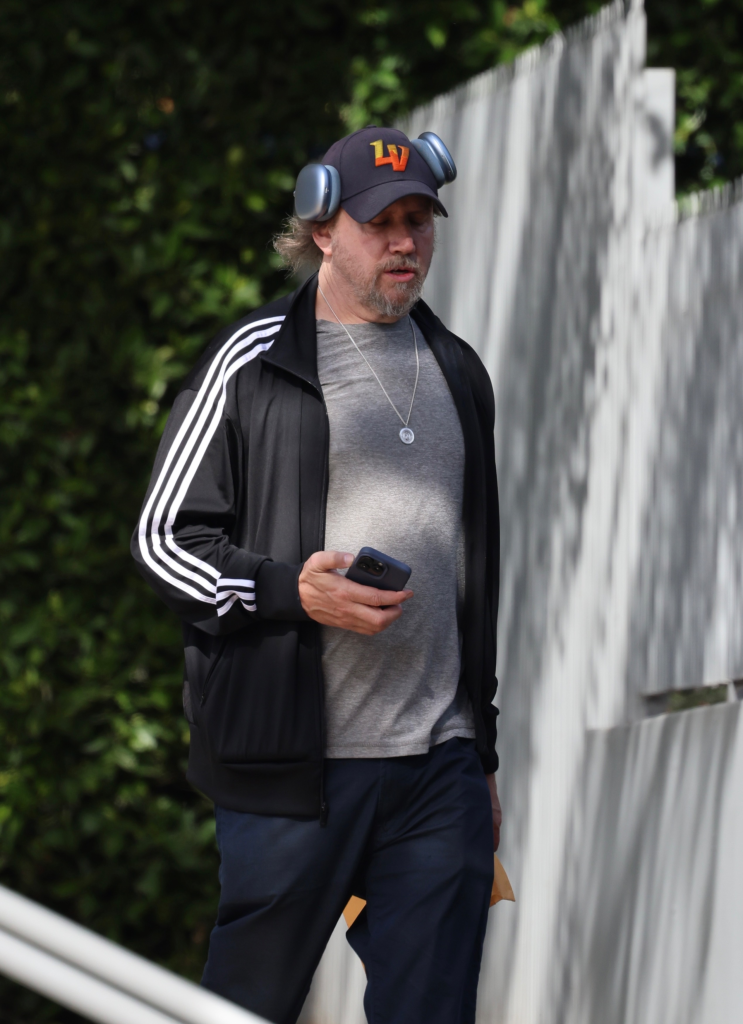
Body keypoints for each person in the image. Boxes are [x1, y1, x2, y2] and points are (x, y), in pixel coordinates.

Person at [132, 125, 501, 1024]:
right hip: (290, 775)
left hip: (436, 768)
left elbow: (478, 573)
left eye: (419, 220)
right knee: (246, 1008)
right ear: (324, 229)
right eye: (381, 223)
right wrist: (287, 589)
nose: (405, 242)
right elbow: (162, 538)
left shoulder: (458, 370)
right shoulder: (253, 360)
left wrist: (480, 753)